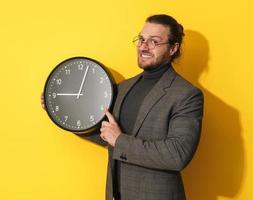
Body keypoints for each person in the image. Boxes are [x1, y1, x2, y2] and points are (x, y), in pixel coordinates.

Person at [42, 14, 204, 200]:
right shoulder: (124, 88)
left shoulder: (186, 94)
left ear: (173, 48)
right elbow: (107, 135)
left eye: (154, 42)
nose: (143, 46)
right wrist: (62, 112)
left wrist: (119, 140)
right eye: (141, 39)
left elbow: (177, 155)